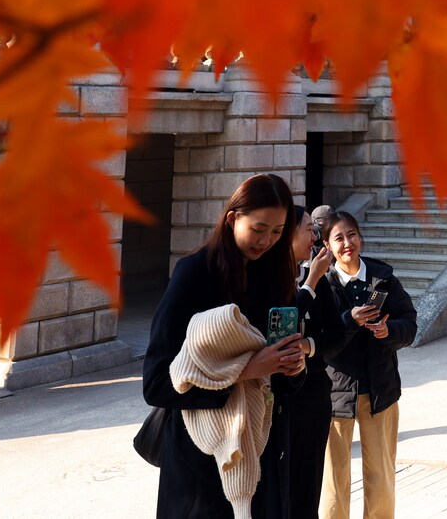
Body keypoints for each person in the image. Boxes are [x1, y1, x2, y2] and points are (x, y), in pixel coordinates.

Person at [142, 173, 310, 519]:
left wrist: (291, 367)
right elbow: (157, 382)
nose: (266, 241)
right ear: (233, 217)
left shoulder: (277, 277)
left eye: (278, 232)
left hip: (261, 449)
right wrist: (244, 371)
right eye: (258, 228)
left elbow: (278, 379)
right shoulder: (195, 273)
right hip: (200, 459)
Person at [311, 210, 418, 519]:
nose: (348, 243)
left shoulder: (383, 279)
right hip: (333, 395)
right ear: (327, 246)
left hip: (380, 391)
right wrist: (349, 320)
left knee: (381, 475)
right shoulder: (319, 285)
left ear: (361, 237)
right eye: (339, 238)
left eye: (352, 234)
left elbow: (409, 324)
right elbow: (316, 339)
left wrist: (389, 332)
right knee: (332, 480)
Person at [290, 204, 335, 518]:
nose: (314, 236)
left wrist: (309, 345)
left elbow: (335, 334)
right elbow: (275, 329)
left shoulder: (317, 278)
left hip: (313, 394)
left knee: (306, 488)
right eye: (308, 229)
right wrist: (310, 284)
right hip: (273, 401)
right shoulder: (260, 280)